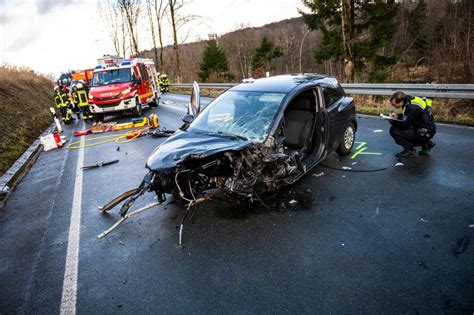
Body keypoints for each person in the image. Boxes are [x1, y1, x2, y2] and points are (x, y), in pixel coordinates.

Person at [388, 91, 436, 158]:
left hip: (424, 132)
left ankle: (410, 151)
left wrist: (392, 121)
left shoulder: (411, 108)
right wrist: (398, 116)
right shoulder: (412, 100)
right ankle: (427, 143)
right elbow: (410, 117)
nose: (393, 107)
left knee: (394, 130)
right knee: (410, 127)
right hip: (429, 129)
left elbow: (404, 126)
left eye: (394, 105)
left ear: (401, 102)